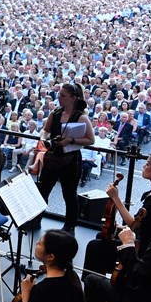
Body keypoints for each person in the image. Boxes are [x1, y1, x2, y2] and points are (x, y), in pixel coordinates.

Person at [85, 152, 151, 275]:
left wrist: (116, 198)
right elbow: (145, 224)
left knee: (94, 246)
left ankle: (94, 284)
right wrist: (123, 228)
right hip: (144, 238)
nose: (143, 166)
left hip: (142, 248)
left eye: (147, 164)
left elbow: (133, 223)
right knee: (101, 236)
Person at [36, 83, 93, 233]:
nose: (59, 97)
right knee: (43, 190)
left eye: (63, 95)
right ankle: (36, 219)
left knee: (69, 194)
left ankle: (70, 225)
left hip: (71, 160)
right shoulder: (55, 113)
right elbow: (45, 130)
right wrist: (44, 139)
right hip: (54, 157)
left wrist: (71, 141)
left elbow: (91, 140)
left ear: (73, 98)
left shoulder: (81, 117)